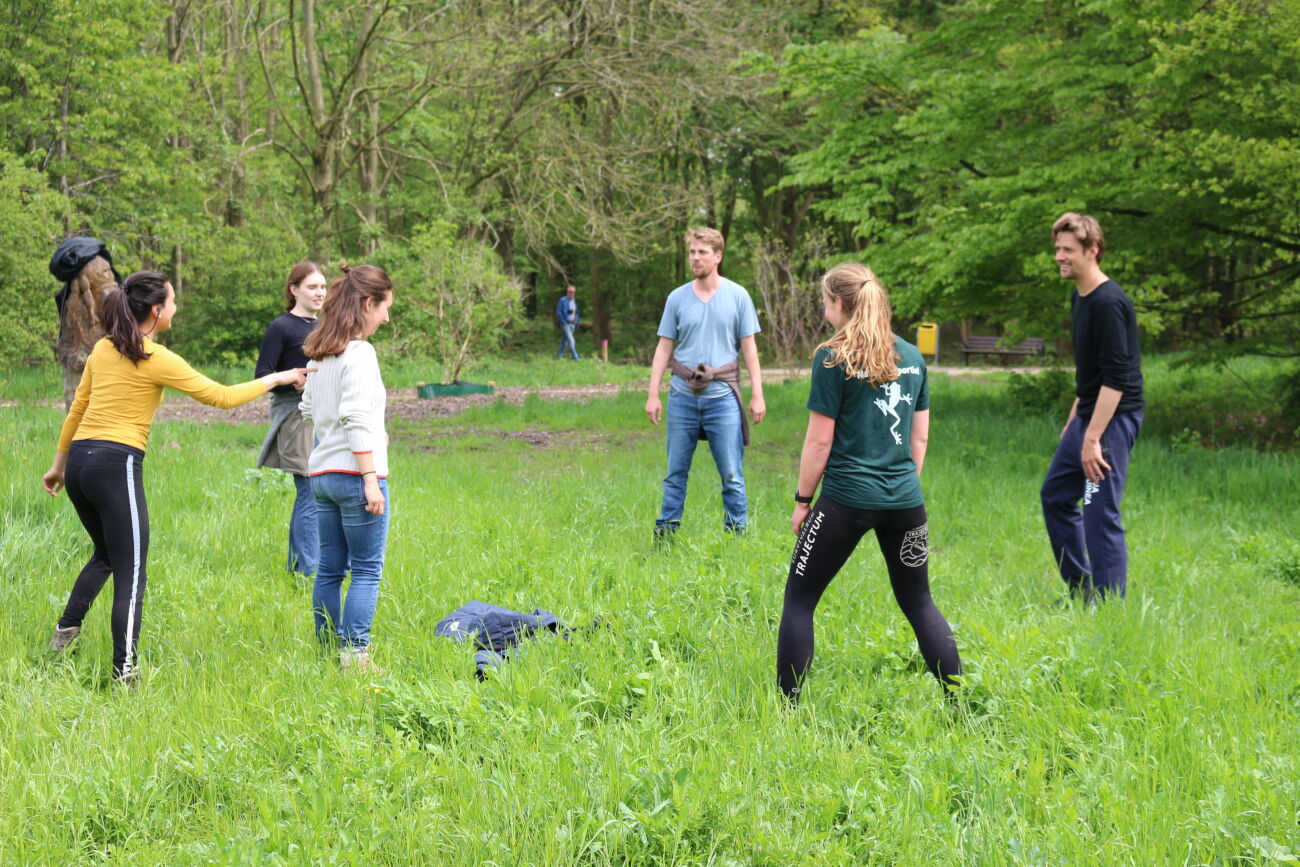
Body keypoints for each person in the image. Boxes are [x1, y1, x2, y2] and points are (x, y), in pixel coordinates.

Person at [41, 271, 307, 684]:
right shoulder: (154, 357)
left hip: (79, 463)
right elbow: (221, 397)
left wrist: (58, 465)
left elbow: (78, 409)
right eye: (173, 301)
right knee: (132, 572)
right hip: (116, 465)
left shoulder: (102, 349)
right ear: (155, 310)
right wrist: (279, 376)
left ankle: (65, 633)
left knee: (107, 556)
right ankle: (124, 673)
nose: (176, 307)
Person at [777, 263, 961, 704]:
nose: (824, 313)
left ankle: (787, 708)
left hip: (845, 500)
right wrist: (896, 486)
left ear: (841, 303)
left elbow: (819, 443)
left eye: (825, 303)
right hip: (905, 501)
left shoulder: (831, 356)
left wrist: (803, 501)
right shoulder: (913, 358)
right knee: (919, 603)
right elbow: (920, 437)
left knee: (800, 600)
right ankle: (961, 702)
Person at [1041, 213, 1144, 602]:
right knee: (1056, 496)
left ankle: (1111, 606)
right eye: (1057, 249)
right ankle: (1083, 589)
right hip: (1090, 414)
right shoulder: (1080, 296)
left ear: (1092, 251)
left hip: (1114, 419)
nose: (1059, 257)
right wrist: (1074, 424)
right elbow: (1091, 373)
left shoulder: (1108, 302)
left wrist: (1093, 439)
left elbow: (1117, 379)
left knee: (1098, 510)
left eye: (1067, 250)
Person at [299, 263, 394, 674]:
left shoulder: (321, 356)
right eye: (385, 308)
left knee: (331, 569)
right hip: (357, 478)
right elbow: (356, 418)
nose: (386, 318)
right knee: (367, 570)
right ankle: (355, 656)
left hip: (322, 478)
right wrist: (371, 480)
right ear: (368, 303)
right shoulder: (360, 353)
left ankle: (327, 650)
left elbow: (307, 411)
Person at [645, 227, 765, 536]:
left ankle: (736, 536)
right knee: (675, 473)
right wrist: (653, 394)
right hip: (682, 397)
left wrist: (757, 394)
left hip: (723, 397)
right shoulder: (677, 298)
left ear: (718, 256)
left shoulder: (738, 296)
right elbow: (663, 347)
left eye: (702, 252)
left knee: (732, 474)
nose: (695, 258)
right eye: (692, 252)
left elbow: (749, 349)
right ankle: (666, 535)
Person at [255, 261, 327, 578]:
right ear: (294, 289)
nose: (319, 292)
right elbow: (262, 376)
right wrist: (293, 379)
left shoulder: (324, 326)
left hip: (324, 414)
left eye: (322, 287)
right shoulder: (282, 327)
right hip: (294, 414)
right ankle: (305, 570)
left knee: (323, 488)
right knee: (309, 489)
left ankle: (308, 565)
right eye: (312, 286)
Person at [555, 284, 580, 360]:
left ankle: (559, 356)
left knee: (565, 341)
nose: (572, 293)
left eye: (573, 292)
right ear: (567, 292)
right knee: (571, 340)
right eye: (570, 292)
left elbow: (576, 312)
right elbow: (558, 312)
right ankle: (576, 358)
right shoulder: (562, 300)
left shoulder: (574, 301)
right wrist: (564, 322)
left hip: (573, 324)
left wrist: (576, 320)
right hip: (565, 324)